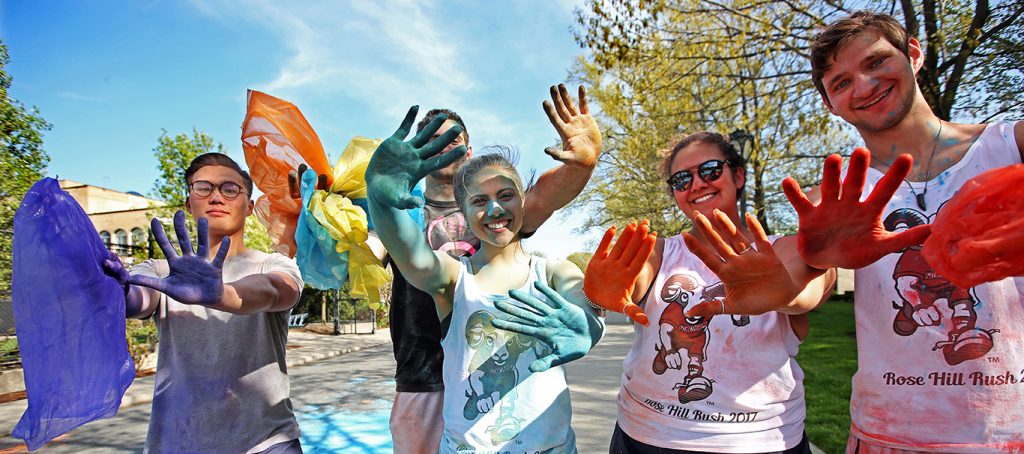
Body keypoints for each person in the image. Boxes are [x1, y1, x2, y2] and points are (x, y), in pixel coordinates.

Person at [781, 10, 1024, 452]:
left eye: (875, 62)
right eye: (841, 82)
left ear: (913, 54)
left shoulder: (1012, 148)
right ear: (830, 104)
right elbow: (795, 279)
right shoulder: (836, 200)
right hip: (884, 436)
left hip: (1009, 434)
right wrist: (801, 267)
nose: (864, 85)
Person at [366, 108, 604, 452]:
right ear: (464, 211)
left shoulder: (552, 270)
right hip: (429, 393)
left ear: (523, 201)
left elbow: (583, 301)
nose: (494, 210)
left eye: (505, 196)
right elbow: (412, 255)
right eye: (480, 201)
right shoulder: (452, 273)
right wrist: (380, 200)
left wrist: (588, 324)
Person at [584, 132, 835, 453]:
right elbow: (629, 282)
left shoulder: (780, 250)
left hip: (761, 441)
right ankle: (671, 357)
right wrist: (597, 295)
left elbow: (810, 288)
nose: (697, 184)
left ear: (739, 175)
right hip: (649, 436)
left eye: (711, 170)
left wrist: (785, 293)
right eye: (681, 179)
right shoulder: (659, 252)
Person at [103, 153, 305, 453]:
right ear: (188, 202)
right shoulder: (161, 271)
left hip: (266, 443)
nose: (216, 197)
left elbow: (276, 290)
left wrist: (221, 294)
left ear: (249, 206)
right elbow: (139, 297)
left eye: (230, 189)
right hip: (176, 442)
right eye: (203, 188)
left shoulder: (273, 264)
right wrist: (115, 290)